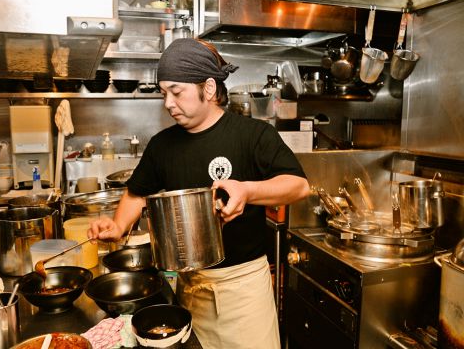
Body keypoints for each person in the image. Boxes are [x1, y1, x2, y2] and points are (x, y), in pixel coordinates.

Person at [88, 38, 310, 349]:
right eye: (164, 93)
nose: (168, 103)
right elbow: (137, 194)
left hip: (244, 293)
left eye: (176, 92)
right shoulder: (162, 146)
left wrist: (247, 190)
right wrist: (118, 226)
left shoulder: (253, 135)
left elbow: (298, 185)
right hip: (190, 291)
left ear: (208, 88)